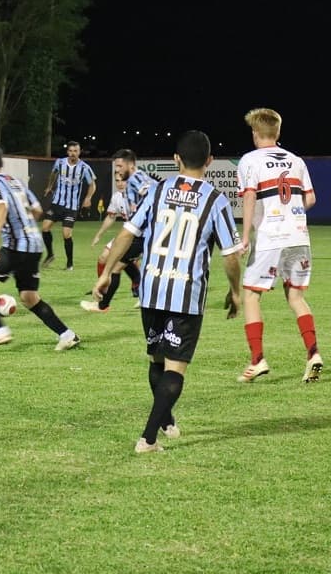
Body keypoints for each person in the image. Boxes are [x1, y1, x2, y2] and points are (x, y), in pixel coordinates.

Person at [93, 130, 242, 454]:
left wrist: (106, 273)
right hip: (185, 296)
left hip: (151, 290)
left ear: (176, 160)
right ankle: (148, 438)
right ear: (210, 161)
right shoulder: (215, 200)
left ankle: (165, 419)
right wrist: (236, 292)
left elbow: (126, 233)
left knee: (156, 359)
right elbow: (231, 255)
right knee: (175, 368)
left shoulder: (158, 190)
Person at [235, 108, 323, 384]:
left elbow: (249, 197)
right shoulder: (295, 160)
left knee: (251, 295)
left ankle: (257, 360)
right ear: (278, 132)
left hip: (269, 237)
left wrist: (246, 234)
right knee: (295, 298)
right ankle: (313, 354)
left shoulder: (250, 161)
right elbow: (310, 199)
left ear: (254, 133)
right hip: (298, 235)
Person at [0, 144, 81, 351]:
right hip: (34, 245)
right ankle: (67, 334)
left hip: (16, 247)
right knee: (29, 297)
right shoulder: (16, 182)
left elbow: (1, 207)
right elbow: (38, 210)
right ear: (1, 162)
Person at [82, 149, 145, 312]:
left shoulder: (138, 184)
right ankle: (139, 294)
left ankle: (103, 304)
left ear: (130, 165)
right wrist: (98, 235)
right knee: (118, 261)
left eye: (119, 166)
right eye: (115, 169)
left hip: (141, 235)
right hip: (132, 233)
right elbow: (111, 217)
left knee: (117, 266)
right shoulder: (120, 195)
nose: (117, 171)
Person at [41, 140, 97, 270]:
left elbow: (92, 184)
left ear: (79, 152)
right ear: (67, 152)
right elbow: (53, 174)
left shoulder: (84, 167)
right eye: (70, 151)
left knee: (66, 234)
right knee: (45, 227)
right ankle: (50, 254)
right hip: (57, 203)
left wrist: (88, 198)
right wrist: (49, 187)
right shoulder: (60, 162)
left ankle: (70, 263)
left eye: (75, 151)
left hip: (71, 206)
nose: (73, 154)